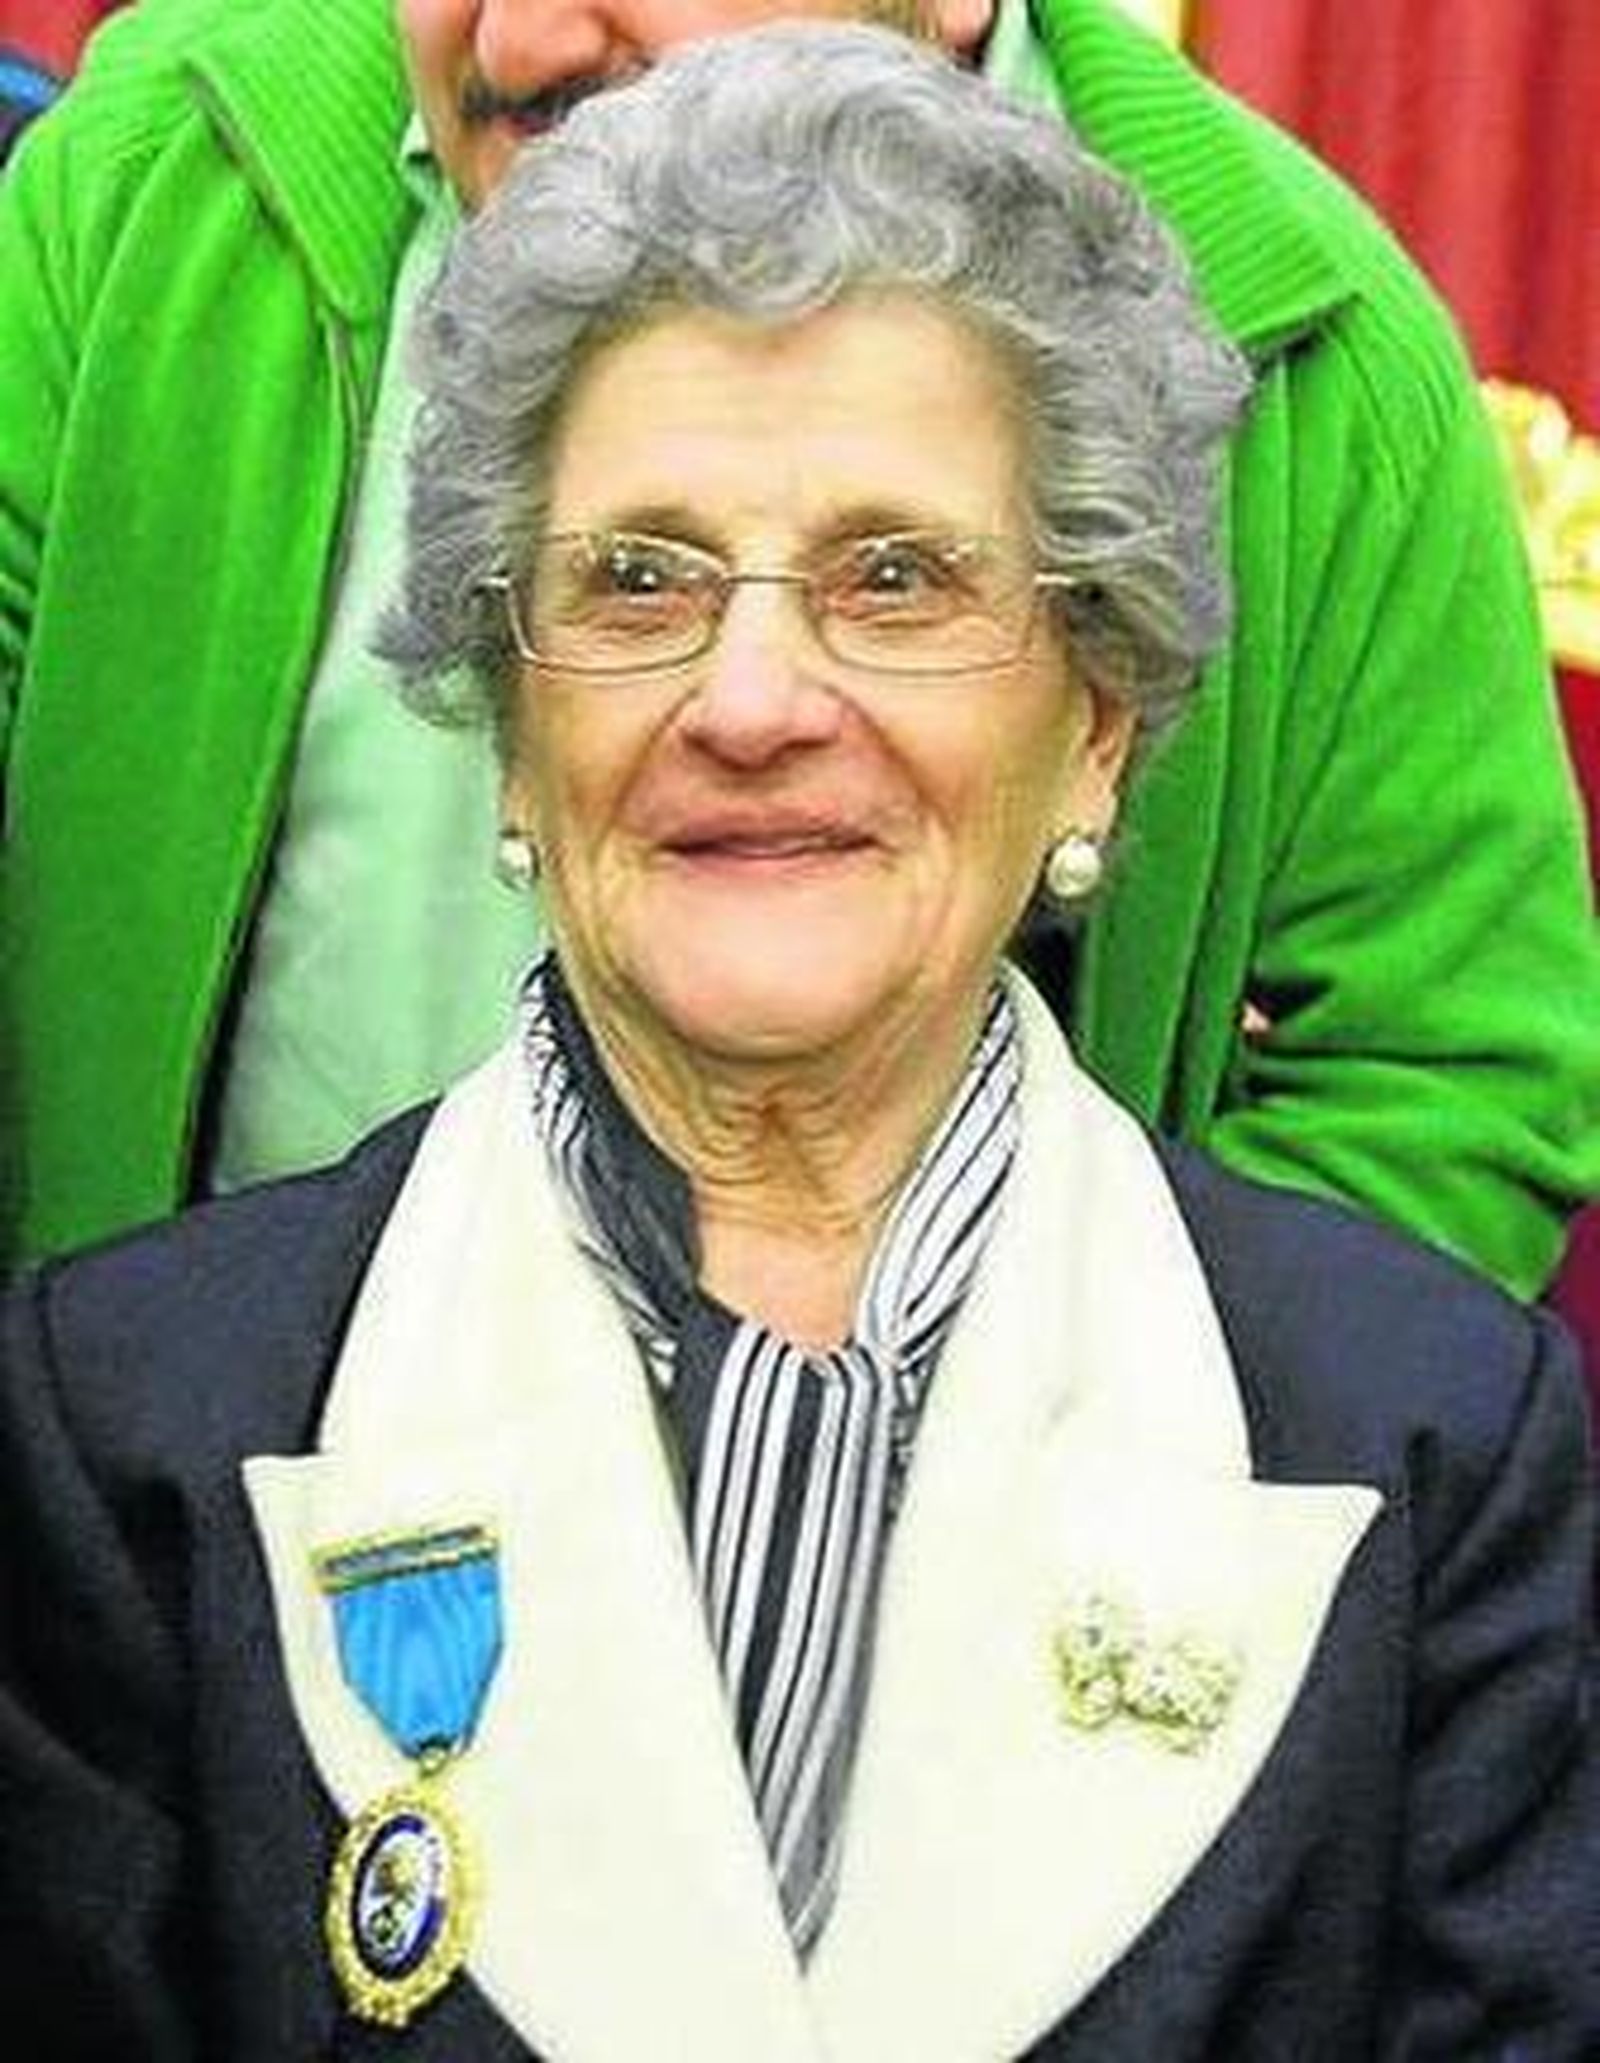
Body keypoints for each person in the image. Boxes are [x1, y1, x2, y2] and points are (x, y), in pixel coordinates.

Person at [2, 32, 1593, 2058]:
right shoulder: (127, 1428)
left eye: (895, 580)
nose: (751, 699)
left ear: (1097, 726)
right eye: (637, 581)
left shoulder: (1430, 1450)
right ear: (510, 725)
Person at [1, 0, 1596, 1299]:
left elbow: (1441, 1084)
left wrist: (1016, 1480)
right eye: (636, 582)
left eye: (895, 580)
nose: (520, 38)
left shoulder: (1309, 344)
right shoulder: (148, 188)